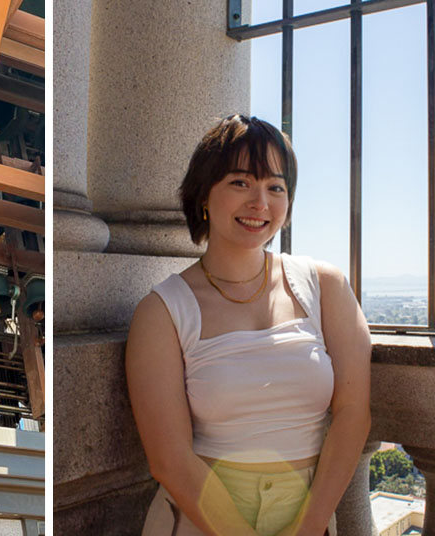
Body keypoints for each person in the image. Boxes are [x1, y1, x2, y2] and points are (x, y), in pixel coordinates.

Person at [126, 114, 371, 536]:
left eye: (276, 187)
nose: (261, 203)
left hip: (310, 519)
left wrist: (311, 526)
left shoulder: (324, 286)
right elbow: (168, 458)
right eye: (240, 183)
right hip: (199, 522)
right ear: (204, 194)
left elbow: (354, 413)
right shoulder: (163, 311)